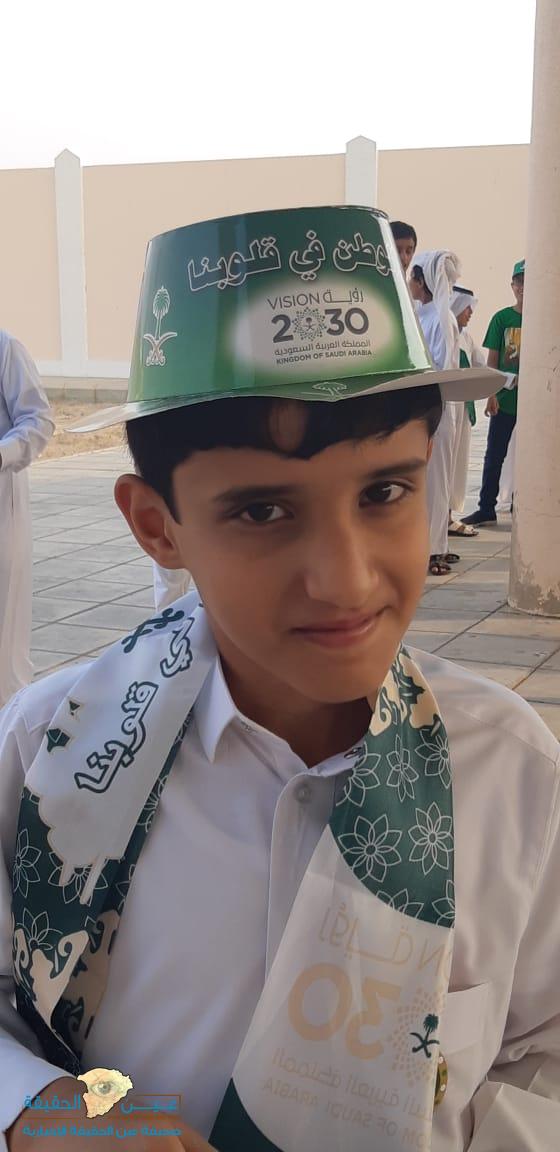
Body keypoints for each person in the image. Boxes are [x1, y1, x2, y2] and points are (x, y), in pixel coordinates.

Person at [1, 207, 558, 1152]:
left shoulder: (510, 772)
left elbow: (540, 1050)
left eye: (385, 492)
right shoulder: (49, 752)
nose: (345, 579)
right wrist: (41, 1108)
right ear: (157, 526)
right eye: (262, 511)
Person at [0, 331, 54, 707]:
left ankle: (11, 726)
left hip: (3, 505)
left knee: (4, 643)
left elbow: (39, 420)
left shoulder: (6, 348)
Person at [409, 251, 463, 575]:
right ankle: (426, 545)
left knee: (437, 480)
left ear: (423, 281)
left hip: (438, 408)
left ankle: (435, 549)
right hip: (422, 408)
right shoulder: (422, 315)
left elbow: (442, 368)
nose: (410, 283)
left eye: (413, 278)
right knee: (424, 480)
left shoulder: (442, 319)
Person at [461, 260, 524, 526]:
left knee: (532, 458)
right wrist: (491, 394)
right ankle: (486, 507)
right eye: (519, 282)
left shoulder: (547, 317)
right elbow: (493, 361)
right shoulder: (502, 319)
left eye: (528, 281)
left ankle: (527, 504)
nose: (524, 287)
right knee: (494, 455)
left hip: (535, 404)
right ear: (513, 286)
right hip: (506, 400)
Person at [448, 287, 487, 529]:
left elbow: (481, 366)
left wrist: (497, 389)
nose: (470, 313)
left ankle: (449, 516)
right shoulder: (445, 333)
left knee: (458, 465)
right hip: (446, 410)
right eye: (466, 308)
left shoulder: (467, 338)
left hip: (464, 411)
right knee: (444, 466)